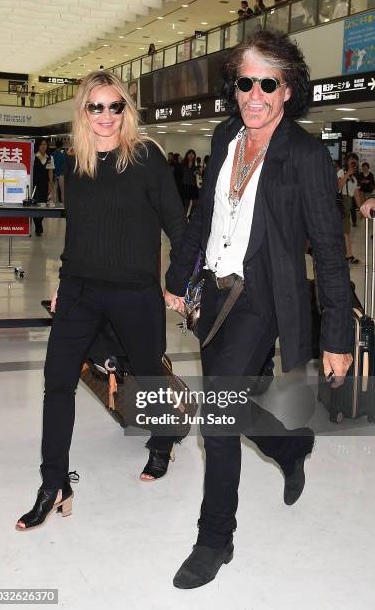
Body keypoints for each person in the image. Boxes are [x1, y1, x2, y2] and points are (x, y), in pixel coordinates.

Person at [164, 29, 353, 589]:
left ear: (288, 88)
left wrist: (337, 335)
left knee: (218, 417)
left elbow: (331, 254)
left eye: (268, 83)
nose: (255, 94)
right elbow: (204, 219)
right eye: (245, 82)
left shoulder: (305, 156)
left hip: (262, 298)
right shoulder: (226, 137)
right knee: (239, 404)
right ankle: (291, 446)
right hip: (215, 296)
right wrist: (178, 275)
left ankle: (214, 538)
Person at [15, 70, 186, 531]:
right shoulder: (77, 163)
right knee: (56, 382)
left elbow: (177, 223)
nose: (107, 116)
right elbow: (80, 230)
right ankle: (54, 485)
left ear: (126, 111)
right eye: (96, 107)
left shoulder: (146, 157)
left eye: (116, 106)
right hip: (79, 289)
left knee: (149, 373)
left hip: (135, 291)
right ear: (83, 112)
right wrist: (61, 282)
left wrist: (178, 281)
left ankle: (164, 437)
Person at [337, 153, 361, 262]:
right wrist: (347, 175)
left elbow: (356, 193)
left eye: (355, 160)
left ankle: (346, 254)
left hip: (348, 203)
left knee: (345, 230)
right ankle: (348, 255)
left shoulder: (355, 177)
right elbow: (337, 187)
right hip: (340, 203)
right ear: (346, 161)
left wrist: (361, 208)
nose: (353, 162)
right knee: (345, 230)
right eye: (351, 160)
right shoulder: (342, 172)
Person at [32, 138, 55, 236]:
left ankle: (39, 222)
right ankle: (38, 226)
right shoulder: (33, 156)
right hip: (34, 184)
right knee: (34, 205)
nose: (43, 146)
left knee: (43, 205)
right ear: (38, 146)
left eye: (45, 144)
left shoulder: (50, 157)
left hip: (44, 184)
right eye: (41, 144)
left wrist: (51, 184)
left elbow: (50, 172)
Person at [182, 149, 198, 217]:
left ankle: (190, 216)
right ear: (187, 155)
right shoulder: (183, 164)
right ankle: (184, 217)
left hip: (193, 186)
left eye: (192, 154)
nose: (191, 155)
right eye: (190, 154)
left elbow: (198, 174)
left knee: (195, 203)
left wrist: (198, 172)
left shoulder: (196, 165)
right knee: (186, 203)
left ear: (194, 156)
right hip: (186, 185)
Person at [52, 139, 66, 204]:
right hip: (62, 175)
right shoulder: (63, 156)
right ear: (61, 146)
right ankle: (63, 206)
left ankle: (54, 204)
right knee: (63, 191)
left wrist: (55, 174)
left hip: (54, 174)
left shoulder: (52, 154)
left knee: (54, 191)